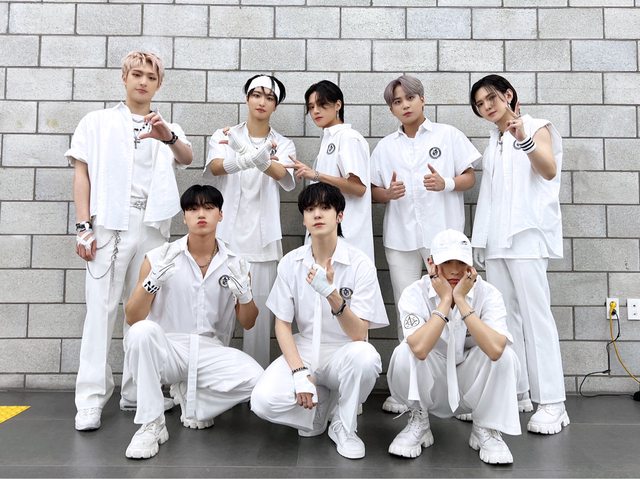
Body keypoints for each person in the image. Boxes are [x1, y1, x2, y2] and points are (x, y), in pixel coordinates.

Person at [67, 51, 193, 431]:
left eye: (150, 77)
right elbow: (82, 174)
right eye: (136, 74)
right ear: (124, 77)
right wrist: (83, 226)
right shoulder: (97, 122)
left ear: (159, 84)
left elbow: (187, 156)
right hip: (108, 223)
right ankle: (90, 399)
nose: (143, 81)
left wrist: (167, 135)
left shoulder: (166, 126)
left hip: (151, 224)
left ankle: (136, 391)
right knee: (100, 310)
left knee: (144, 310)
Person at [122, 185, 263, 459]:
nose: (201, 214)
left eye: (209, 208)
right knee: (140, 332)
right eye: (193, 208)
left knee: (258, 382)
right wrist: (152, 282)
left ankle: (195, 399)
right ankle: (151, 424)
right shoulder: (159, 257)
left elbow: (248, 323)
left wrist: (244, 295)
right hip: (169, 349)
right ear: (184, 216)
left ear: (220, 215)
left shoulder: (236, 263)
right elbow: (132, 316)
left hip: (211, 351)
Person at [250, 183, 388, 460]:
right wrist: (299, 373)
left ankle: (344, 427)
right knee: (262, 401)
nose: (317, 214)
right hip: (304, 350)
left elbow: (359, 334)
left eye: (325, 208)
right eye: (310, 209)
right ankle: (319, 406)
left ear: (340, 216)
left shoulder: (360, 263)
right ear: (303, 219)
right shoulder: (290, 263)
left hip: (343, 352)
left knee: (366, 357)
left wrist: (331, 295)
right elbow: (282, 324)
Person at [371, 75, 479, 414]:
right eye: (396, 102)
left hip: (443, 241)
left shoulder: (448, 135)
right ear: (391, 109)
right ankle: (408, 391)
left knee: (455, 307)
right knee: (408, 310)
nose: (404, 105)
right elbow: (372, 191)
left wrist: (445, 183)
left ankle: (457, 391)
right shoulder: (386, 147)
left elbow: (469, 177)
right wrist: (387, 194)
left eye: (409, 98)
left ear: (422, 99)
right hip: (400, 237)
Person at [469, 74, 569, 434]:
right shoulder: (493, 142)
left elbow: (548, 170)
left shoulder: (536, 126)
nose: (487, 107)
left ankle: (553, 403)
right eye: (480, 104)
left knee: (536, 317)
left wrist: (523, 139)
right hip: (497, 241)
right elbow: (490, 196)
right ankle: (518, 391)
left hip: (527, 238)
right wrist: (480, 240)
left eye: (491, 98)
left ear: (508, 95)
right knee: (505, 320)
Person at [387, 229, 521, 465]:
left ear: (470, 266)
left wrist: (460, 300)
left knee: (506, 356)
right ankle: (419, 421)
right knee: (404, 352)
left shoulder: (488, 294)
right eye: (447, 262)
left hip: (468, 386)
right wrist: (445, 301)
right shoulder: (414, 293)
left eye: (461, 262)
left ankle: (486, 427)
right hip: (433, 383)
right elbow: (419, 349)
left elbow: (495, 349)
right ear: (431, 263)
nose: (454, 270)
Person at [204, 74, 296, 369]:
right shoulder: (225, 134)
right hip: (226, 241)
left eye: (269, 97)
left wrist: (253, 155)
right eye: (256, 95)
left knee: (258, 324)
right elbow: (216, 167)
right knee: (218, 318)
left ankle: (256, 383)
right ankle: (213, 380)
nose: (262, 101)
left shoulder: (283, 143)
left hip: (263, 244)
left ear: (275, 105)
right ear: (247, 98)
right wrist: (244, 156)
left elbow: (283, 175)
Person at [292, 80, 374, 262]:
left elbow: (359, 188)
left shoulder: (349, 138)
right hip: (327, 239)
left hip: (348, 239)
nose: (315, 111)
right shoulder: (329, 139)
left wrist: (316, 175)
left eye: (322, 104)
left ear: (338, 105)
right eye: (311, 107)